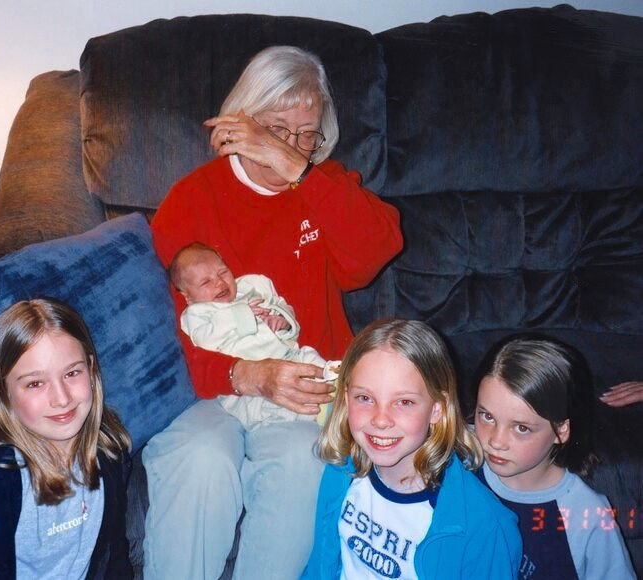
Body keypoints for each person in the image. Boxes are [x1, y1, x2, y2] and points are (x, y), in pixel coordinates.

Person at [146, 45, 403, 579]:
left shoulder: (324, 186)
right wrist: (244, 374)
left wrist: (300, 171)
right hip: (214, 390)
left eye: (306, 134)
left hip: (306, 393)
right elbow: (168, 337)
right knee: (197, 457)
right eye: (275, 130)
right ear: (241, 124)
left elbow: (375, 252)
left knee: (305, 463)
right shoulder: (191, 200)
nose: (290, 146)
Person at [0, 298, 132, 579]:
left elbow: (115, 560)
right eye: (35, 383)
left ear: (91, 370)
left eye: (72, 373)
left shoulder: (109, 454)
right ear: (3, 392)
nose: (61, 398)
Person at [303, 318, 522, 579]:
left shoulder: (485, 527)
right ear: (347, 398)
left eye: (404, 402)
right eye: (365, 398)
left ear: (437, 409)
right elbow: (319, 567)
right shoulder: (340, 471)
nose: (380, 420)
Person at [473, 336, 635, 579]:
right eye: (487, 416)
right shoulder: (462, 456)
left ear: (561, 430)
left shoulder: (586, 514)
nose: (495, 441)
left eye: (521, 428)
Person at [170, 241, 339, 427]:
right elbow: (205, 338)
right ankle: (319, 415)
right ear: (188, 296)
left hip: (289, 356)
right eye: (206, 282)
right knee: (270, 407)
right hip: (250, 389)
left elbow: (280, 303)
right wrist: (242, 314)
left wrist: (282, 320)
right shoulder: (197, 314)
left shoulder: (250, 288)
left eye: (223, 272)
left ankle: (338, 388)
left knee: (310, 356)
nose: (219, 282)